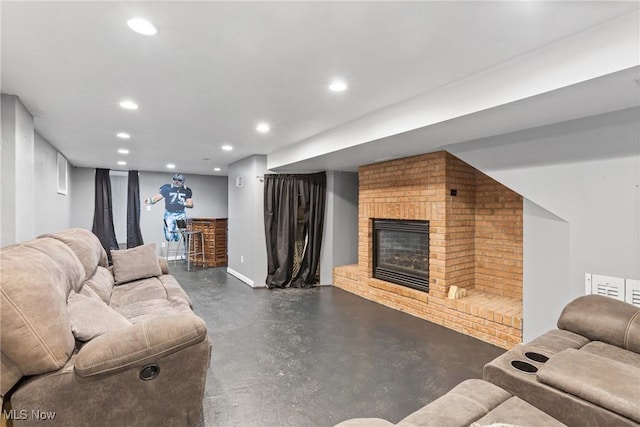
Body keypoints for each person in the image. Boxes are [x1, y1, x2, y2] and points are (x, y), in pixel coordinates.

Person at [145, 173, 193, 241]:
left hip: (180, 214)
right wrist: (151, 200)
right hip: (169, 214)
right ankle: (174, 237)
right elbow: (158, 197)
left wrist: (184, 203)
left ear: (183, 181)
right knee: (169, 237)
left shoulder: (186, 190)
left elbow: (190, 204)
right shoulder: (167, 187)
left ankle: (180, 242)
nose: (176, 181)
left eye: (179, 180)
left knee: (183, 234)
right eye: (174, 179)